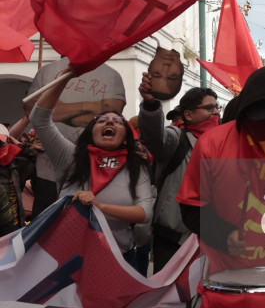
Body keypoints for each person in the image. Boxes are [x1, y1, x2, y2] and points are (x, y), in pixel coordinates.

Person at [177, 66, 265, 274]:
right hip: (226, 279)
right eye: (261, 121)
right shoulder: (211, 143)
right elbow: (191, 208)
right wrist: (224, 234)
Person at [29, 64, 154, 266]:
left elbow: (145, 213)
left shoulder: (135, 167)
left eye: (118, 121)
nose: (109, 123)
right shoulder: (69, 156)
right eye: (102, 120)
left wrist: (100, 206)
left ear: (125, 138)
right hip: (68, 260)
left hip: (118, 259)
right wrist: (64, 78)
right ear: (91, 132)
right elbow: (39, 120)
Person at [24, 57, 126, 218]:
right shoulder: (46, 72)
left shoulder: (112, 75)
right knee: (47, 231)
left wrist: (60, 109)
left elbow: (112, 115)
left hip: (92, 176)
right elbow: (31, 111)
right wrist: (94, 107)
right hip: (48, 174)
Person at [138, 76, 221, 272]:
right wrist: (151, 104)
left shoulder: (226, 143)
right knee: (171, 300)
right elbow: (154, 138)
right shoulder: (176, 138)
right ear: (189, 115)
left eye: (217, 107)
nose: (216, 112)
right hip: (173, 241)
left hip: (214, 239)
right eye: (209, 108)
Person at [0, 124, 37, 237]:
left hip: (13, 233)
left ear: (8, 142)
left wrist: (19, 144)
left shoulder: (16, 166)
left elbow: (34, 158)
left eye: (0, 143)